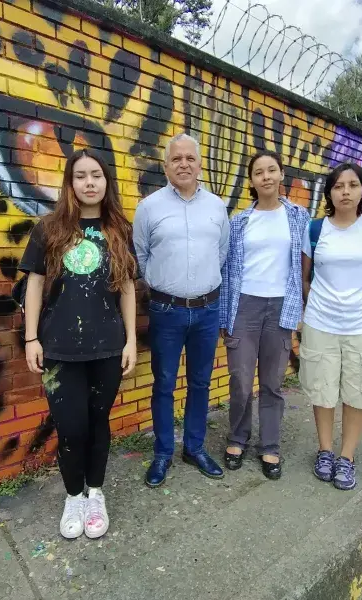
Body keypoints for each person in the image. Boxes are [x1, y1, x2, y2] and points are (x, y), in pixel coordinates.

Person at [20, 148, 137, 539]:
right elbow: (34, 284)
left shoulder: (119, 228)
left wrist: (131, 340)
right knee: (70, 428)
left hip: (107, 346)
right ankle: (74, 496)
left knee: (98, 423)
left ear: (107, 182)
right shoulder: (49, 229)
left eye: (97, 175)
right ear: (70, 183)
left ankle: (96, 493)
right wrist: (31, 337)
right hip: (58, 348)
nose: (90, 183)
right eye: (81, 176)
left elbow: (126, 289)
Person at [133, 133, 230, 488]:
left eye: (190, 158)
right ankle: (162, 453)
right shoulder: (149, 208)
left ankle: (194, 447)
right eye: (177, 159)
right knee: (164, 384)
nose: (184, 164)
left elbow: (221, 253)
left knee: (201, 383)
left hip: (207, 310)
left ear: (200, 164)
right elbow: (141, 257)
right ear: (166, 166)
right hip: (166, 312)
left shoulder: (217, 207)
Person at [300, 162, 362, 491]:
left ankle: (347, 457)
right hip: (321, 322)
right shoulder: (315, 230)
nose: (345, 192)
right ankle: (325, 451)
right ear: (329, 192)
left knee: (358, 391)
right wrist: (320, 304)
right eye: (338, 186)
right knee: (323, 389)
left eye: (352, 185)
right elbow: (305, 278)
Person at [219, 151, 311, 480]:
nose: (266, 176)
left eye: (272, 170)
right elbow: (229, 271)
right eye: (259, 172)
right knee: (241, 380)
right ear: (252, 181)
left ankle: (269, 445)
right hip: (244, 306)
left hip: (280, 307)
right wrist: (224, 317)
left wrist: (301, 306)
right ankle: (237, 437)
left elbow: (304, 264)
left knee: (272, 383)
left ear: (281, 174)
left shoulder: (299, 216)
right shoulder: (239, 221)